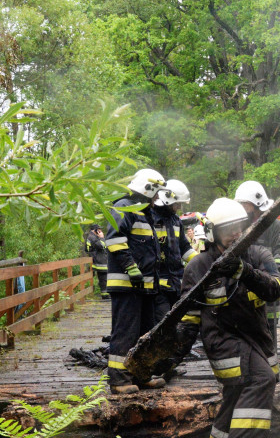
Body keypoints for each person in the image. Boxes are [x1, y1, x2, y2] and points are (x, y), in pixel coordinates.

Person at [177, 197, 280, 438]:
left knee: (235, 397)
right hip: (223, 344)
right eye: (227, 230)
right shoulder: (199, 268)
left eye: (238, 227)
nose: (235, 234)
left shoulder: (259, 256)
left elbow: (276, 290)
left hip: (258, 340)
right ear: (213, 233)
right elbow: (188, 319)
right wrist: (170, 357)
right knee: (261, 380)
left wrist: (244, 272)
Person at [104, 168, 166, 395]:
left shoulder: (144, 213)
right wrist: (131, 267)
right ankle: (119, 380)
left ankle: (142, 375)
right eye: (156, 193)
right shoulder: (123, 207)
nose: (157, 198)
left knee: (145, 333)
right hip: (127, 285)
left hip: (146, 287)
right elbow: (115, 240)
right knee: (126, 332)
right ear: (147, 189)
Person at [234, 180, 280, 349]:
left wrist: (272, 273)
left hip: (267, 289)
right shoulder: (237, 225)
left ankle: (270, 368)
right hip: (241, 290)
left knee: (268, 332)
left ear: (254, 205)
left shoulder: (273, 225)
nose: (242, 208)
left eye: (244, 204)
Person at [151, 181, 198, 381]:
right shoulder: (150, 219)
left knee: (174, 328)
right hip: (156, 286)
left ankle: (168, 366)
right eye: (177, 203)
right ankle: (155, 368)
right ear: (167, 198)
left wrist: (201, 262)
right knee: (161, 327)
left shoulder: (175, 221)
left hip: (175, 284)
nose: (179, 207)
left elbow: (184, 248)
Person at [84, 224, 108, 297]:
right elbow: (101, 246)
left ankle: (104, 293)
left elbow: (86, 249)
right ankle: (105, 294)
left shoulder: (90, 237)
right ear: (95, 230)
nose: (100, 231)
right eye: (99, 230)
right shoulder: (93, 238)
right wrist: (102, 238)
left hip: (96, 260)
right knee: (103, 277)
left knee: (102, 278)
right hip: (99, 261)